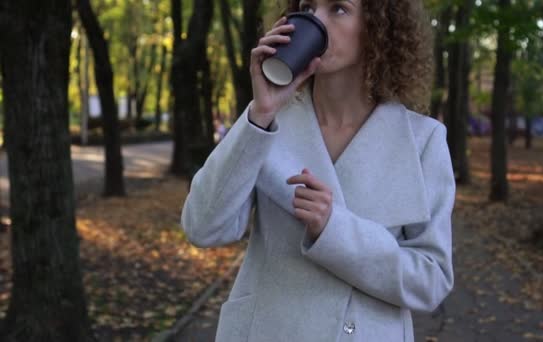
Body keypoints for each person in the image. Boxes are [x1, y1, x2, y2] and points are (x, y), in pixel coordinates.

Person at [180, 0, 455, 341]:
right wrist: (260, 113)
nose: (316, 21)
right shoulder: (267, 123)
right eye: (308, 7)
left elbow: (431, 281)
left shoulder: (422, 141)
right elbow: (203, 227)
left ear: (378, 28)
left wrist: (334, 230)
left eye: (338, 8)